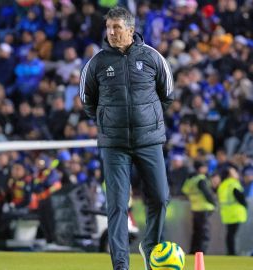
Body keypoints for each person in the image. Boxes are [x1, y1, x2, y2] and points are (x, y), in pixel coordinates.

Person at [80, 6, 174, 270]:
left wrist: (145, 120)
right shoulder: (96, 63)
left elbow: (167, 94)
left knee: (160, 197)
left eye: (117, 28)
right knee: (118, 205)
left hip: (149, 141)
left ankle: (151, 247)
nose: (111, 32)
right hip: (114, 145)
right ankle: (121, 265)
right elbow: (87, 102)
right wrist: (111, 121)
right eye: (109, 28)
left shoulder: (153, 57)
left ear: (130, 30)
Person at [181, 161, 216, 254]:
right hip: (204, 208)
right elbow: (207, 193)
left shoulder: (191, 180)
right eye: (205, 167)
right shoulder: (201, 179)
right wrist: (214, 203)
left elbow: (184, 190)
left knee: (196, 232)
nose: (206, 169)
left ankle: (193, 251)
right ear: (200, 168)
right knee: (204, 233)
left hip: (195, 208)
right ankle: (201, 252)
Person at [216, 166, 247, 255]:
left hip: (226, 213)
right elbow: (241, 198)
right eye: (234, 172)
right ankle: (232, 253)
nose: (236, 174)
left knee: (230, 234)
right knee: (232, 235)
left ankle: (231, 252)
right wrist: (245, 206)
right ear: (230, 175)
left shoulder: (222, 185)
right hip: (236, 213)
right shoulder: (233, 184)